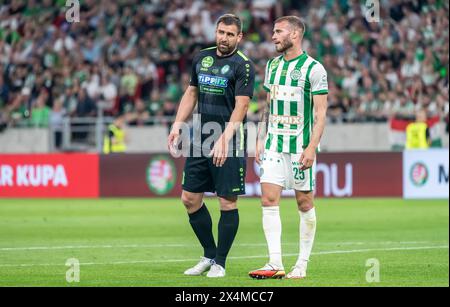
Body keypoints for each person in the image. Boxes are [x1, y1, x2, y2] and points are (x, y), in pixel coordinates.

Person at [167, 14, 255, 278]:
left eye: (230, 34)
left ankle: (221, 262)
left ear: (239, 37)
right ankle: (208, 254)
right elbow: (191, 92)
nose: (224, 38)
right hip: (200, 140)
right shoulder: (201, 58)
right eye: (220, 32)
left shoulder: (243, 66)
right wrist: (177, 124)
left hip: (229, 141)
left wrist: (225, 139)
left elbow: (242, 106)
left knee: (227, 202)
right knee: (189, 199)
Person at [248, 16, 328, 279]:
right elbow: (268, 106)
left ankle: (302, 265)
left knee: (304, 203)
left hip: (300, 146)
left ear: (295, 35)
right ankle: (275, 263)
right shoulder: (271, 66)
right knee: (268, 199)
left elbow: (321, 114)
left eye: (278, 31)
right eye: (273, 31)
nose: (273, 36)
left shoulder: (314, 69)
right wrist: (260, 137)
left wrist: (312, 147)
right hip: (273, 144)